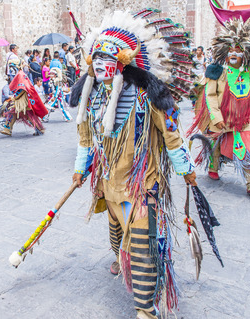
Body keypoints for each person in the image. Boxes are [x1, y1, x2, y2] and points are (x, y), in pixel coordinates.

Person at [69, 11, 197, 319]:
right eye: (95, 58)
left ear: (122, 62)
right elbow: (86, 140)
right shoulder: (94, 96)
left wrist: (185, 169)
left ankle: (145, 309)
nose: (98, 64)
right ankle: (118, 256)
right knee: (116, 234)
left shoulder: (149, 97)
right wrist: (80, 168)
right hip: (108, 184)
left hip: (140, 186)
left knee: (141, 243)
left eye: (106, 58)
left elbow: (172, 137)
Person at [188, 17, 250, 195]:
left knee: (247, 148)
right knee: (216, 145)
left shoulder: (249, 73)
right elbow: (210, 96)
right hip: (222, 119)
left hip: (243, 121)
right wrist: (216, 118)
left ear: (245, 54)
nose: (234, 54)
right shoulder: (218, 72)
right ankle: (213, 167)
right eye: (230, 51)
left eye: (238, 52)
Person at [0, 69, 48, 137]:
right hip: (20, 103)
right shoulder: (24, 80)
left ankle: (40, 129)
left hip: (23, 104)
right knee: (12, 114)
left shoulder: (21, 81)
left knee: (30, 117)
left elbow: (20, 91)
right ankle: (7, 129)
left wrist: (13, 98)